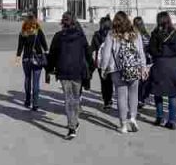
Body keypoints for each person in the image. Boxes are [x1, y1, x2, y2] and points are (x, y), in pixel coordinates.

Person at [98, 11, 148, 133]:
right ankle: (133, 118)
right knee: (133, 95)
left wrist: (103, 68)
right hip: (133, 68)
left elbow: (106, 54)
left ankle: (123, 125)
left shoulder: (112, 34)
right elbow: (141, 52)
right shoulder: (135, 33)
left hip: (117, 69)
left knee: (121, 96)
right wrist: (143, 67)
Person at [46, 11, 92, 140]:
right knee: (76, 98)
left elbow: (52, 55)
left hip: (63, 71)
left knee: (68, 98)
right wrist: (91, 68)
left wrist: (49, 69)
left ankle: (72, 126)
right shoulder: (81, 36)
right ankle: (73, 122)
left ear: (63, 22)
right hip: (78, 71)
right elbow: (88, 54)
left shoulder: (58, 36)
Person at [147, 11, 176, 129]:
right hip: (173, 65)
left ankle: (160, 117)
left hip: (160, 64)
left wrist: (159, 53)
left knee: (158, 93)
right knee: (172, 95)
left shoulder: (155, 33)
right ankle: (172, 120)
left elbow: (152, 50)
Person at [14, 14, 48, 111]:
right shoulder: (38, 30)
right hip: (37, 59)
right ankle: (35, 104)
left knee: (27, 79)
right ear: (35, 21)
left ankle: (28, 100)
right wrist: (46, 52)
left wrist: (17, 58)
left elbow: (20, 47)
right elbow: (44, 44)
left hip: (26, 59)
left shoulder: (23, 32)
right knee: (36, 82)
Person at [89, 16, 113, 110]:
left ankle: (106, 100)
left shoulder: (96, 35)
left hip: (100, 61)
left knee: (103, 82)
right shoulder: (112, 35)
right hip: (111, 61)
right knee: (110, 82)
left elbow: (92, 49)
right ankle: (109, 99)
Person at [133, 16, 152, 107]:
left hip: (136, 60)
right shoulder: (146, 35)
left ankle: (139, 99)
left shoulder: (133, 34)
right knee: (144, 81)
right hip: (147, 61)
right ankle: (142, 98)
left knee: (138, 81)